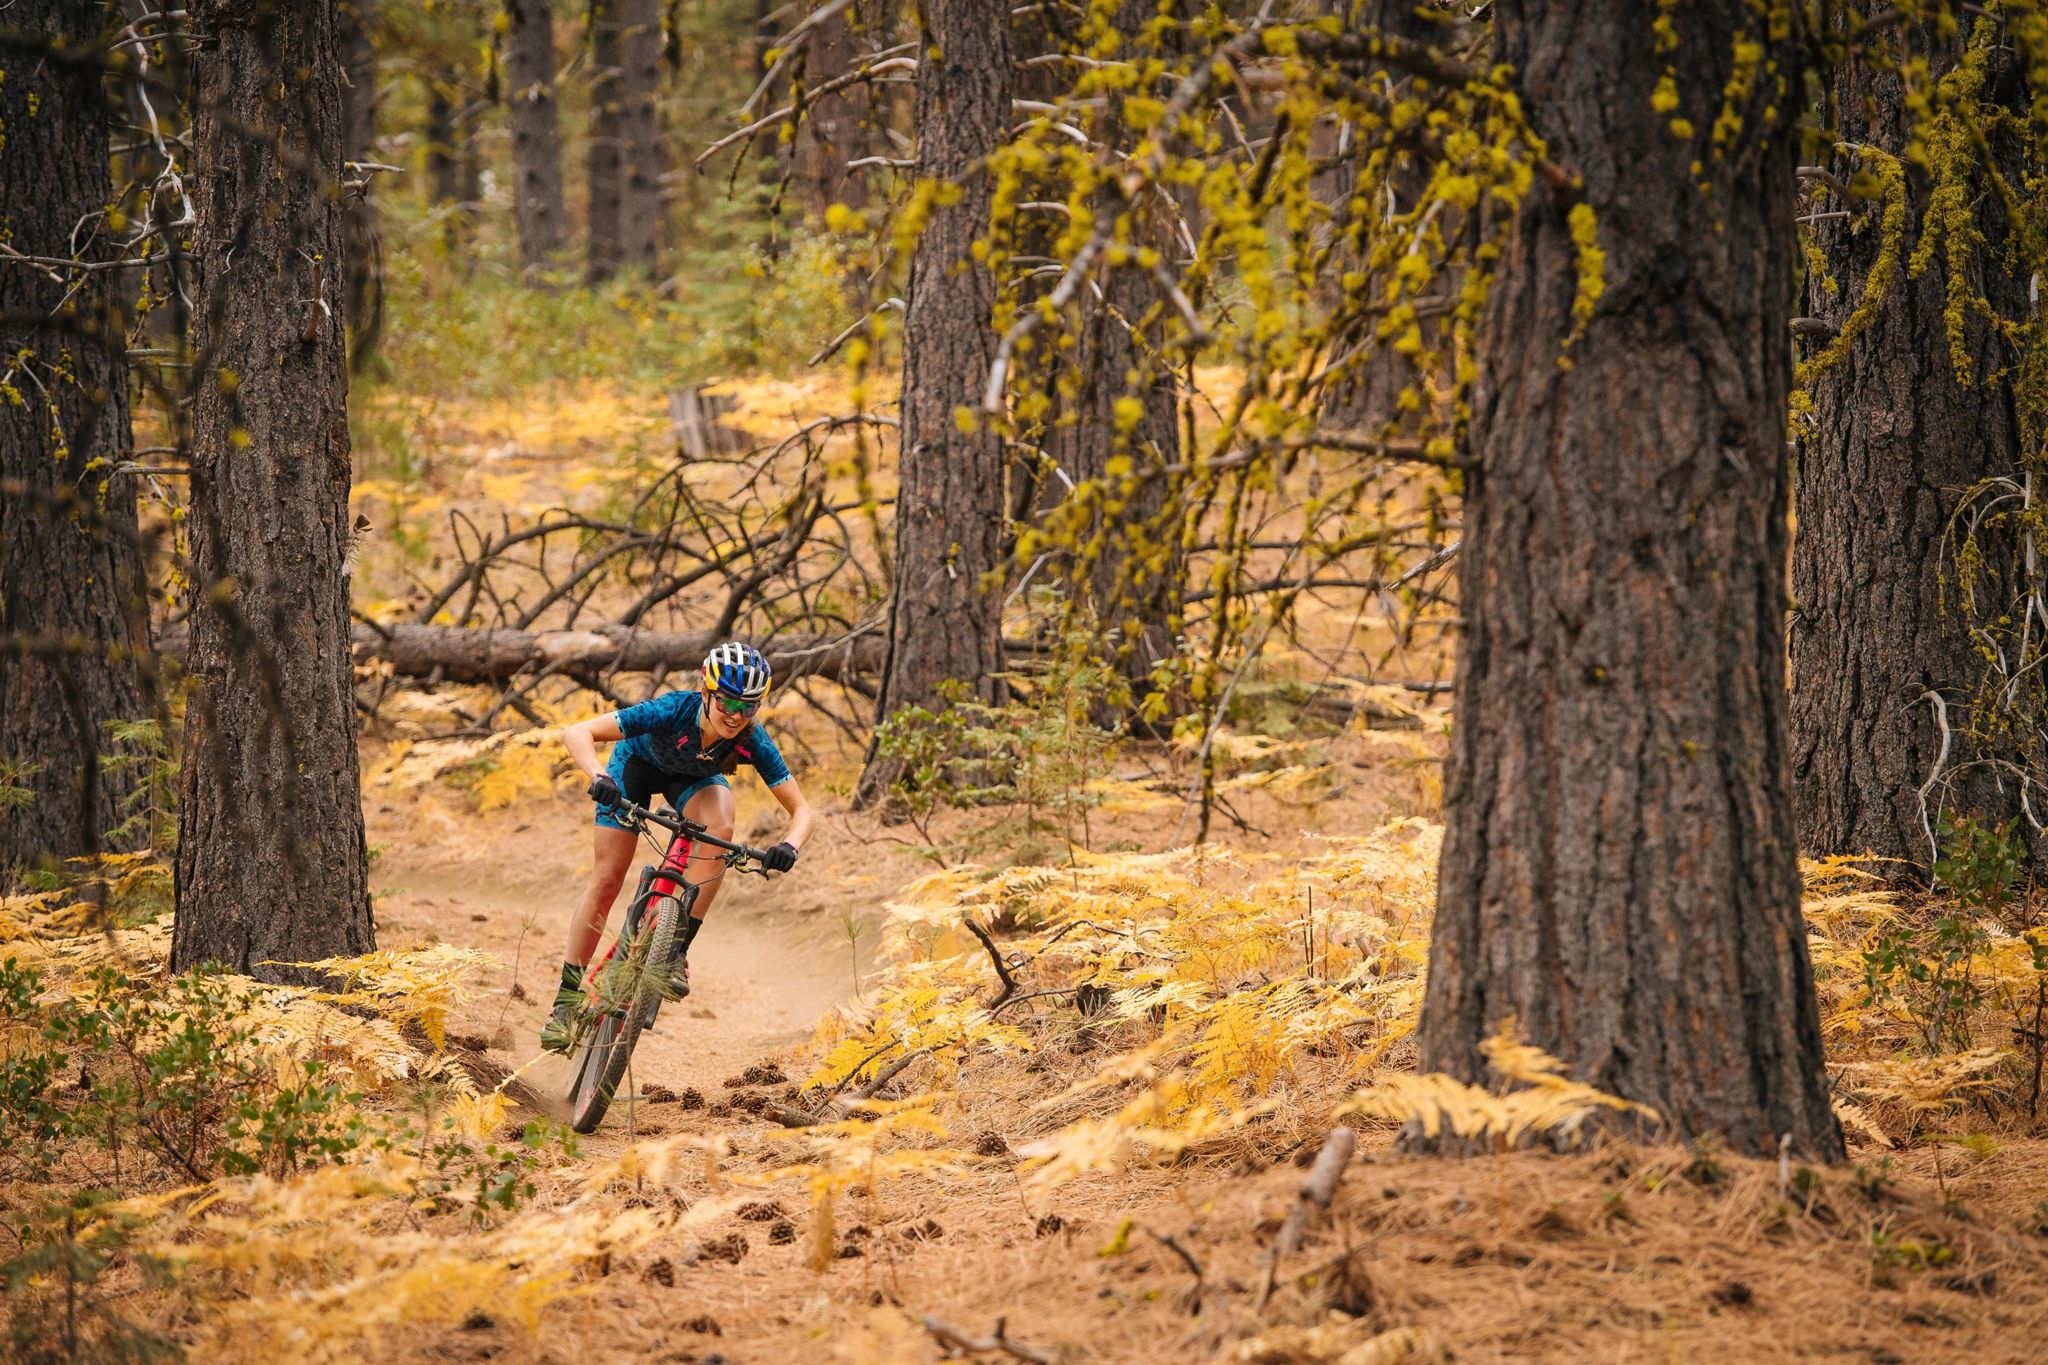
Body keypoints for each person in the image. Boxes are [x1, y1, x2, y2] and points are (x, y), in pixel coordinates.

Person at [541, 641, 813, 1052]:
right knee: (609, 877)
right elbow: (577, 732)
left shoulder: (752, 738)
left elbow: (803, 811)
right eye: (727, 703)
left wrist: (789, 846)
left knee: (721, 825)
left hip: (688, 781)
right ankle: (566, 998)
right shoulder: (671, 709)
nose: (736, 716)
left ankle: (674, 951)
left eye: (749, 707)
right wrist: (599, 777)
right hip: (634, 770)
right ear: (706, 691)